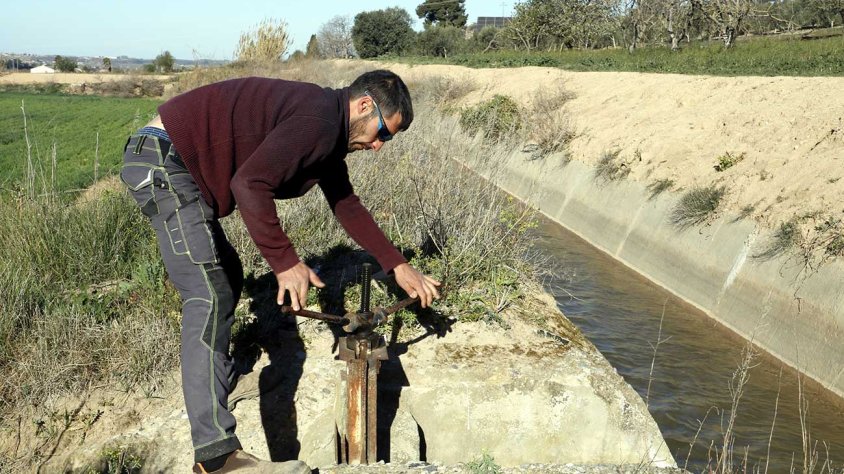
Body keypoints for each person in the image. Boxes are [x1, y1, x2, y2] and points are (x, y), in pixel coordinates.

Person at [120, 70, 441, 473]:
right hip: (164, 162)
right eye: (384, 133)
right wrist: (285, 262)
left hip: (171, 162)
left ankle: (214, 380)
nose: (378, 146)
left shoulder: (326, 132)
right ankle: (216, 457)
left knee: (228, 277)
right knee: (208, 293)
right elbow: (249, 184)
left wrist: (398, 264)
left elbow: (346, 205)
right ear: (364, 105)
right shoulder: (320, 121)